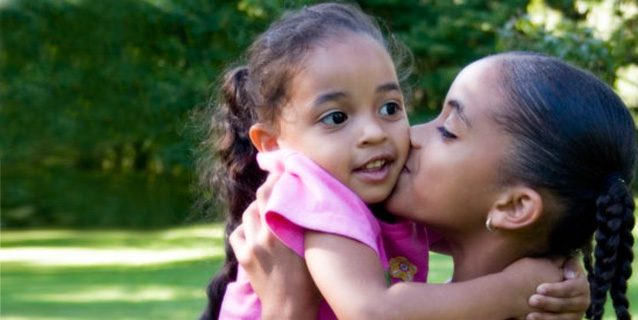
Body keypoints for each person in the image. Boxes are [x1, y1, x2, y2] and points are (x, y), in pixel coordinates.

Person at [198, 3, 592, 320]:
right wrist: (512, 292)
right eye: (336, 118)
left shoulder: (372, 194)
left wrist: (560, 273)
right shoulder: (313, 195)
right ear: (271, 143)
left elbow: (481, 229)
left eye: (389, 107)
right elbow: (371, 310)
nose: (374, 132)